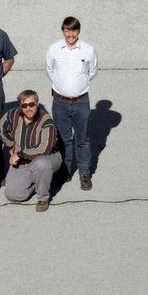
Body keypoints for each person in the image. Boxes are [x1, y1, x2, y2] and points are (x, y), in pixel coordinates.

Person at [45, 15, 98, 189]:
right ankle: (66, 170)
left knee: (82, 139)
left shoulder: (88, 50)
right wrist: (63, 87)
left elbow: (92, 72)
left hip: (81, 102)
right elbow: (50, 70)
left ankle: (84, 172)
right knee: (63, 139)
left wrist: (77, 87)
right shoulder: (54, 49)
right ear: (63, 30)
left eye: (74, 30)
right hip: (59, 101)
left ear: (78, 31)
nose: (71, 34)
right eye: (67, 30)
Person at [0, 89, 62, 211]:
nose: (29, 108)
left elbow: (43, 149)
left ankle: (43, 197)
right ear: (20, 106)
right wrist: (11, 147)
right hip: (22, 159)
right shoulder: (13, 115)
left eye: (32, 104)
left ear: (37, 103)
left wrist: (19, 154)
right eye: (24, 105)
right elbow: (2, 127)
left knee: (41, 164)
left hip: (48, 157)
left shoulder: (46, 121)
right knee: (12, 195)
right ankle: (40, 181)